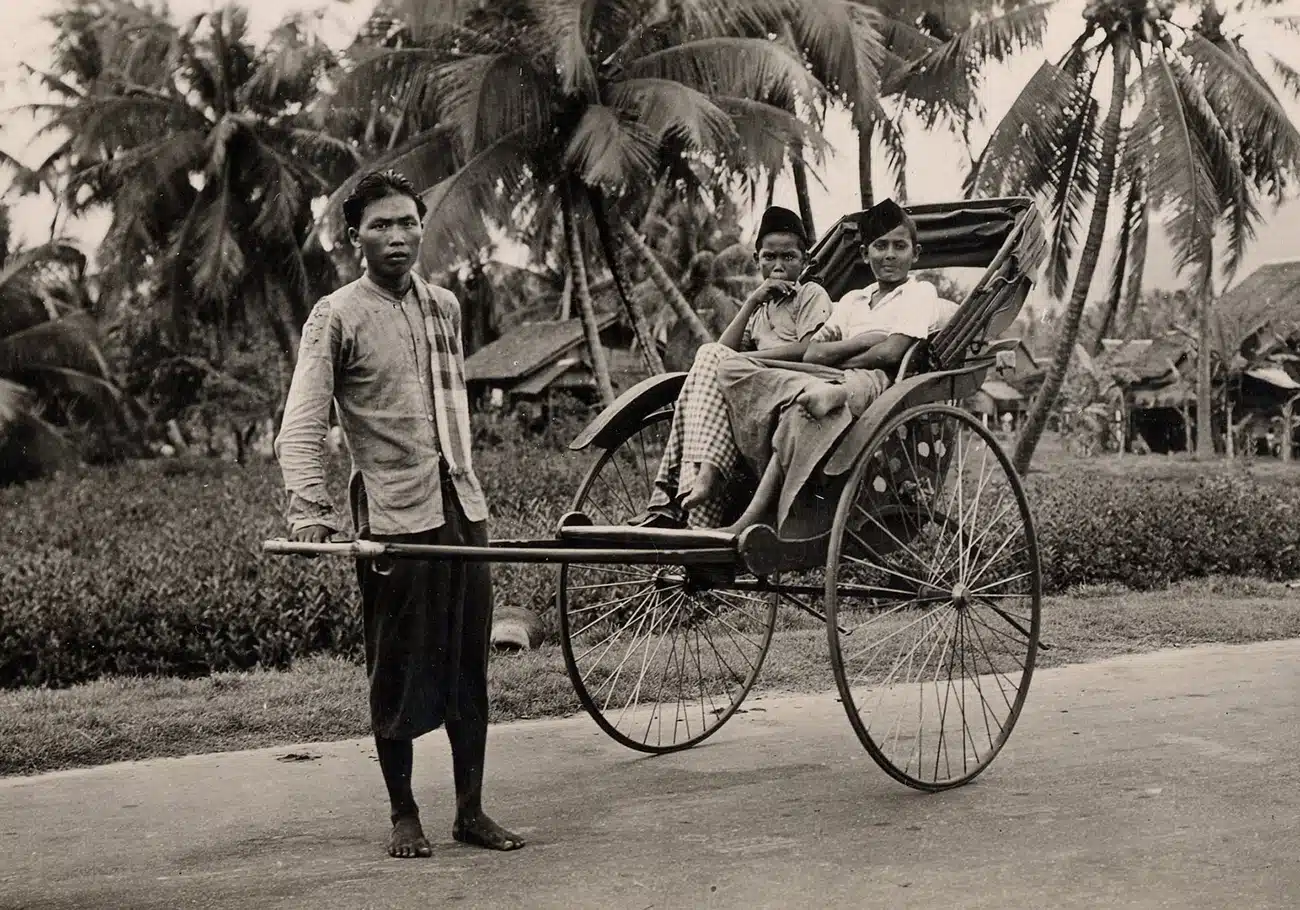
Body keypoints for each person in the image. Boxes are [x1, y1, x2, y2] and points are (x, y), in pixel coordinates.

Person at [274, 169, 524, 860]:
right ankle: (404, 812)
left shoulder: (443, 305)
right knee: (398, 666)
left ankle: (471, 811)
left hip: (460, 507)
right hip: (392, 515)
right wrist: (310, 511)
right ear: (355, 238)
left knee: (468, 663)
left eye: (408, 222)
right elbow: (301, 422)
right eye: (380, 225)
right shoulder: (337, 314)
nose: (397, 236)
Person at [713, 198, 959, 535]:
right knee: (729, 367)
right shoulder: (852, 301)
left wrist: (841, 354)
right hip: (822, 377)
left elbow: (891, 352)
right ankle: (821, 391)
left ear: (915, 253)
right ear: (864, 254)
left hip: (881, 384)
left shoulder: (920, 293)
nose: (889, 255)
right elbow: (812, 352)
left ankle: (753, 518)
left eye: (899, 246)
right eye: (879, 246)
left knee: (816, 405)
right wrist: (862, 341)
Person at [636, 206, 833, 529]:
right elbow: (724, 351)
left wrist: (750, 361)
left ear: (805, 261)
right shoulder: (760, 307)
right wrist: (753, 301)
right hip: (755, 385)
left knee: (712, 355)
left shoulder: (810, 295)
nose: (778, 266)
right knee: (709, 357)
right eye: (769, 257)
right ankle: (694, 515)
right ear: (757, 260)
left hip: (791, 382)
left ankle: (684, 488)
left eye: (789, 257)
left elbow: (809, 351)